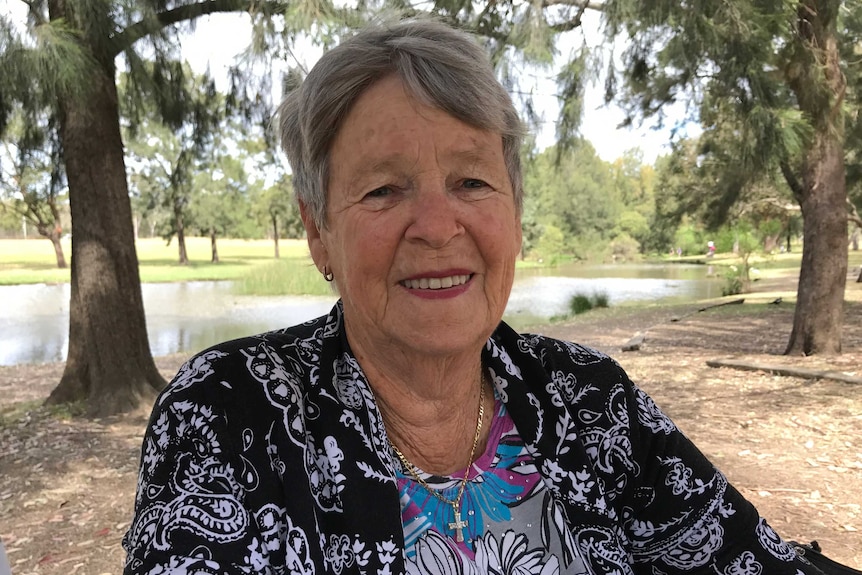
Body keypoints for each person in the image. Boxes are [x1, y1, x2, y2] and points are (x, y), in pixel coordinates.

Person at [123, 18, 824, 575]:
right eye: (383, 190)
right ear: (318, 233)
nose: (435, 226)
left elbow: (747, 556)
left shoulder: (587, 399)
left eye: (471, 182)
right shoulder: (228, 414)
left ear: (514, 211)